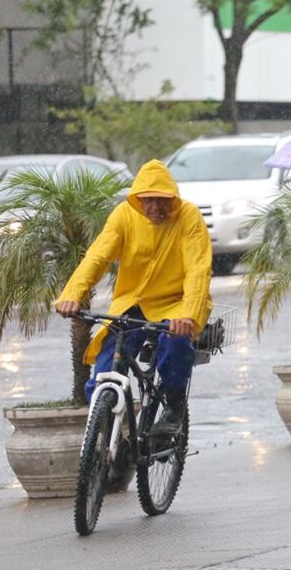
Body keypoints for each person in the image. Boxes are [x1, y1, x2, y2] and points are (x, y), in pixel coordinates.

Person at [55, 159, 212, 434]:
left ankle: (174, 407)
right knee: (108, 364)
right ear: (137, 199)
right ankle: (102, 436)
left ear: (173, 198)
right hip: (132, 304)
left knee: (175, 344)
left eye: (162, 200)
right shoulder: (123, 215)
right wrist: (72, 294)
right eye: (148, 200)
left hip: (175, 305)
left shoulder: (189, 217)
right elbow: (98, 256)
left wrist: (189, 315)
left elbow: (197, 269)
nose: (155, 207)